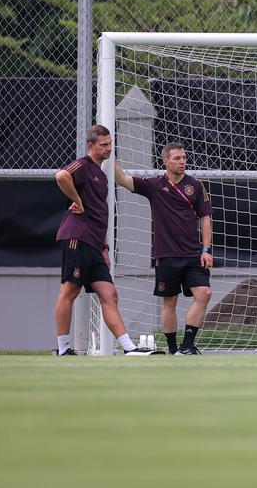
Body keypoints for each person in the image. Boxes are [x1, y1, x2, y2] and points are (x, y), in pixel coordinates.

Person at [54, 125, 158, 355]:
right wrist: (78, 201)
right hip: (77, 238)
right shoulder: (83, 165)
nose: (108, 148)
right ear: (91, 146)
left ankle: (129, 348)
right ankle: (63, 348)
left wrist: (104, 248)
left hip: (94, 244)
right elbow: (61, 176)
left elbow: (100, 214)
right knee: (69, 291)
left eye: (110, 143)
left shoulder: (100, 173)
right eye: (103, 145)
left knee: (109, 293)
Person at [115, 142, 214, 355]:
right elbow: (122, 179)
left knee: (204, 293)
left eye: (184, 158)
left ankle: (187, 346)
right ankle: (172, 350)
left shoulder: (195, 186)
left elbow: (205, 218)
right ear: (165, 162)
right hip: (166, 255)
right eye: (177, 158)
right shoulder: (154, 185)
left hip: (193, 255)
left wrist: (206, 249)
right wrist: (110, 156)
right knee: (169, 302)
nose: (183, 162)